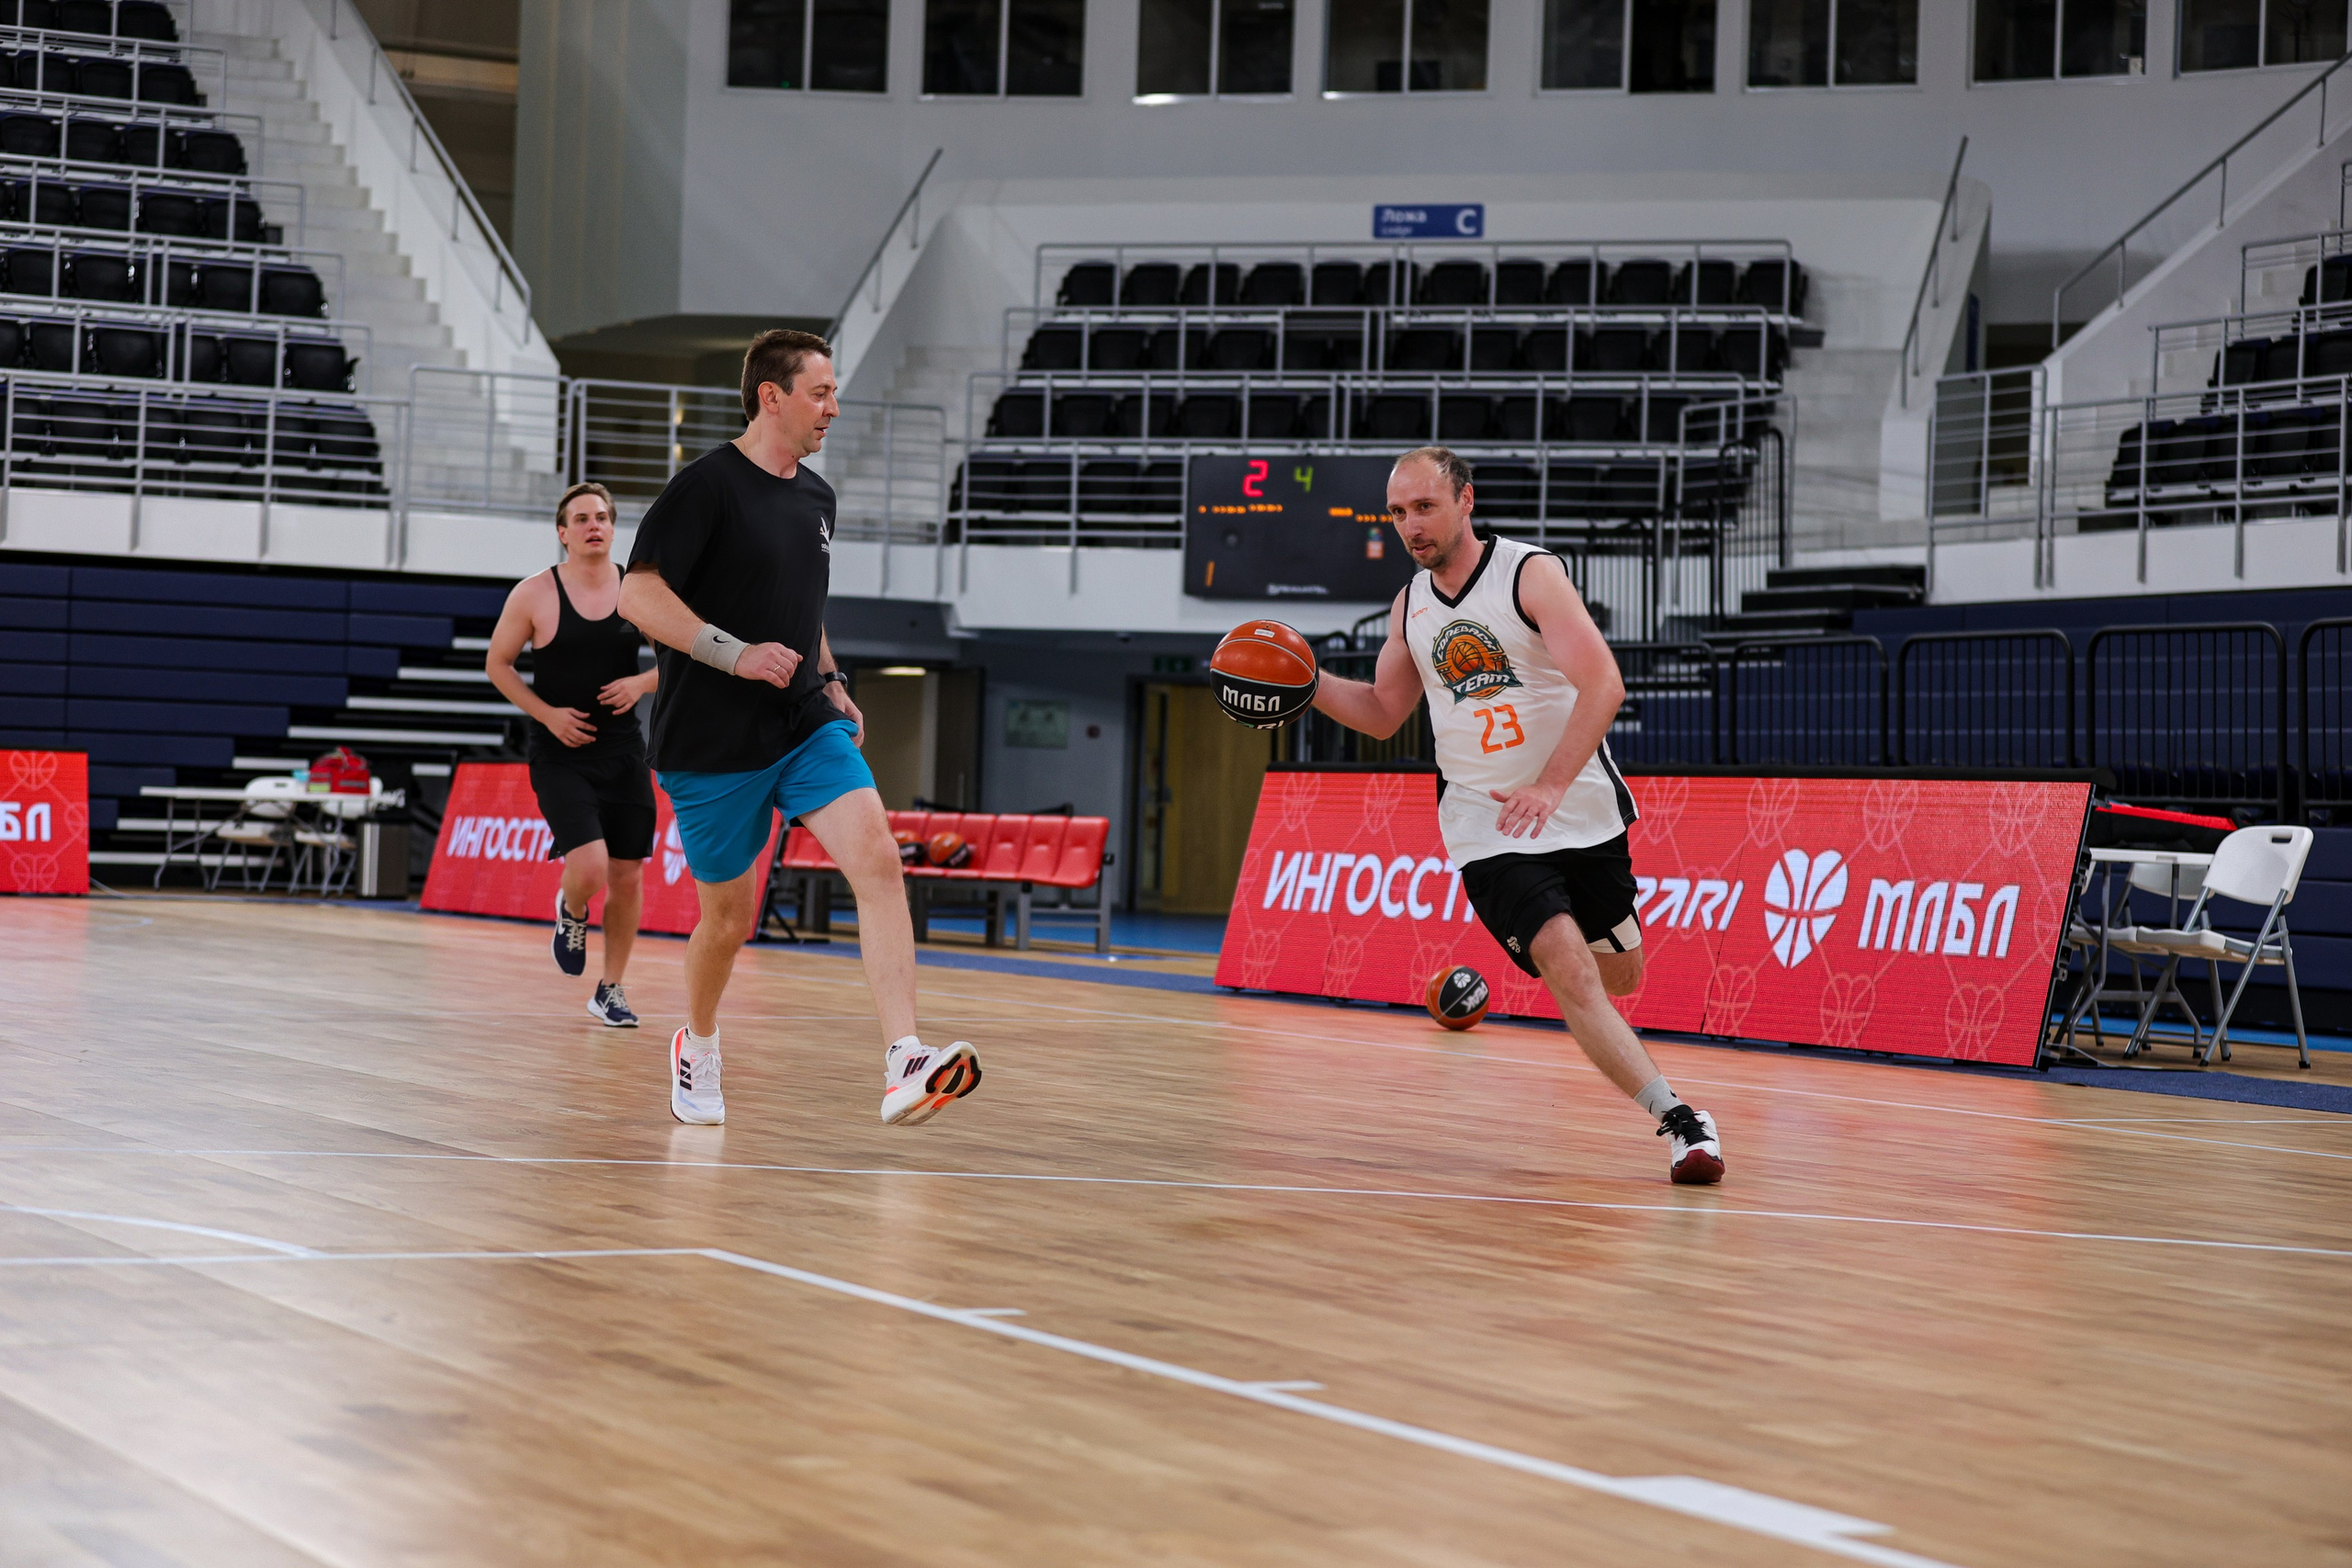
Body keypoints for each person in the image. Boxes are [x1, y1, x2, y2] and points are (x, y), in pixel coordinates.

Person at [1307, 447, 1724, 1184]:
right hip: (1484, 823)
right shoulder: (1412, 605)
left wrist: (1552, 785)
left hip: (1579, 810)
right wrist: (1309, 681)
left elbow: (1603, 682)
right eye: (1398, 513)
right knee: (1567, 965)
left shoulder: (1529, 573)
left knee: (1618, 976)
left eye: (1425, 506)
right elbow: (1379, 712)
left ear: (1467, 500)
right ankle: (1682, 1122)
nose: (1411, 525)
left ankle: (1573, 998)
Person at [617, 328, 981, 1128]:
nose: (834, 408)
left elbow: (801, 608)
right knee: (727, 920)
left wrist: (832, 679)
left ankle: (904, 1059)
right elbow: (636, 595)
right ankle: (699, 1044)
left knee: (880, 857)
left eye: (834, 392)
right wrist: (735, 654)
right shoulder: (704, 488)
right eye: (820, 393)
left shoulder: (817, 497)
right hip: (710, 741)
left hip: (803, 722)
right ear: (770, 396)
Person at [485, 480, 659, 1028]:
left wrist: (640, 684)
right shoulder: (533, 593)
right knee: (591, 864)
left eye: (603, 517)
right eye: (581, 518)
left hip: (624, 750)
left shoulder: (641, 589)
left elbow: (681, 660)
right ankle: (573, 908)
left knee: (629, 875)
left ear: (613, 527)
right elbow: (498, 664)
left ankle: (611, 989)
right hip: (560, 753)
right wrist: (547, 714)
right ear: (563, 533)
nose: (594, 525)